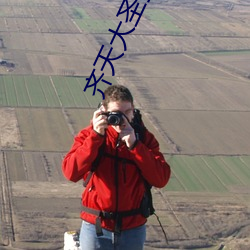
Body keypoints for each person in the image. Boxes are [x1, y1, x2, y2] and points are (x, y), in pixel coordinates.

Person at [62, 85, 171, 250]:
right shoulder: (90, 135)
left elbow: (161, 178)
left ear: (133, 110)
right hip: (96, 226)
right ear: (104, 110)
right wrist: (96, 136)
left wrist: (135, 146)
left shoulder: (144, 139)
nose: (122, 119)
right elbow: (71, 172)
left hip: (132, 228)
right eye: (116, 113)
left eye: (127, 112)